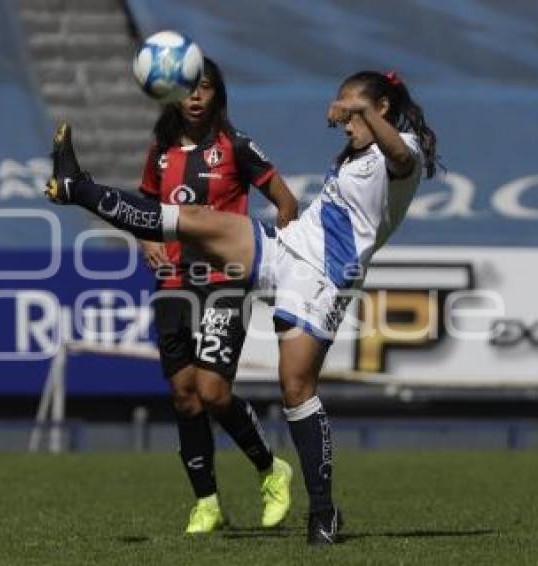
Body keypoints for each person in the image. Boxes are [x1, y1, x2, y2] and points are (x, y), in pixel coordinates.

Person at [46, 69, 437, 545]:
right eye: (342, 108)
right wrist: (354, 115)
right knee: (194, 221)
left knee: (295, 388)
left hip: (325, 278)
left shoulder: (404, 149)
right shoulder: (359, 151)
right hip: (288, 247)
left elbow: (395, 153)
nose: (343, 119)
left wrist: (358, 112)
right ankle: (76, 187)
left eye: (352, 109)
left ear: (382, 110)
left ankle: (323, 512)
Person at [137, 57, 299, 534]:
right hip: (172, 281)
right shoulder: (160, 152)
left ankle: (271, 470)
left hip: (226, 278)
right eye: (187, 88)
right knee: (185, 397)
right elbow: (145, 204)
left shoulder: (235, 147)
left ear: (216, 95)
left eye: (204, 88)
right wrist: (148, 241)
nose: (195, 97)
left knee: (212, 390)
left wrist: (275, 262)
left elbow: (286, 202)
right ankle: (206, 503)